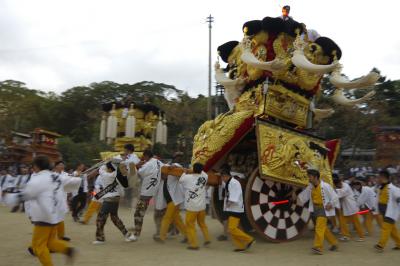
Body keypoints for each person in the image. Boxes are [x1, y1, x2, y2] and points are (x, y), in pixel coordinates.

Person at [4, 155, 80, 266]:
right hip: (55, 215)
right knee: (50, 242)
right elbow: (73, 182)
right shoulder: (56, 176)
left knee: (38, 246)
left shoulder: (38, 179)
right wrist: (77, 176)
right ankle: (68, 250)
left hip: (44, 215)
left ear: (36, 166)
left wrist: (7, 198)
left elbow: (24, 196)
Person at [93, 162, 136, 244]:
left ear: (109, 169)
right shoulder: (117, 175)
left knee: (100, 218)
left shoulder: (106, 175)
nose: (105, 168)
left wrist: (105, 162)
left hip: (109, 199)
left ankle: (100, 238)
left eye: (107, 168)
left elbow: (100, 169)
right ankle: (128, 235)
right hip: (116, 198)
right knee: (114, 218)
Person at [298, 169, 338, 255]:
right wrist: (296, 198)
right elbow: (304, 195)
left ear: (316, 177)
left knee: (319, 227)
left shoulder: (326, 186)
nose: (309, 178)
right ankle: (334, 243)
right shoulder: (310, 186)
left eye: (310, 177)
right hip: (315, 209)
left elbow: (335, 197)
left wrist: (330, 204)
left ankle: (318, 247)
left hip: (323, 209)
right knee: (323, 228)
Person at [220, 165, 254, 252]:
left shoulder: (234, 183)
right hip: (231, 208)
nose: (222, 180)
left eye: (222, 177)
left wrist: (228, 203)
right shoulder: (228, 182)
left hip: (235, 209)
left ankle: (249, 239)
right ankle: (240, 246)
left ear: (226, 176)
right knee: (232, 229)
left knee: (232, 228)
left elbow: (235, 196)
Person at [154, 152, 187, 243]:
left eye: (180, 157)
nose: (179, 159)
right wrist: (169, 168)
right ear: (174, 157)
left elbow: (177, 168)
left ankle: (162, 237)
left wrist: (173, 167)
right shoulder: (168, 168)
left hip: (174, 200)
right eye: (177, 157)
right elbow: (163, 169)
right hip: (172, 200)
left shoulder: (176, 168)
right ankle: (187, 235)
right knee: (177, 220)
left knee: (167, 218)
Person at [179, 163, 211, 250]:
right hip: (202, 206)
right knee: (202, 224)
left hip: (192, 207)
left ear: (193, 169)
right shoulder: (205, 177)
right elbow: (203, 172)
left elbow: (181, 180)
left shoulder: (187, 178)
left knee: (190, 225)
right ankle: (207, 238)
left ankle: (194, 244)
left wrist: (185, 171)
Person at [133, 149, 162, 238]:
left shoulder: (148, 164)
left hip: (147, 191)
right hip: (157, 190)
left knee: (138, 213)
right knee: (161, 213)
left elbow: (140, 173)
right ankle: (166, 231)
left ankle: (137, 233)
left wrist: (137, 166)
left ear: (146, 156)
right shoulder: (158, 162)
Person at [374, 170, 400, 252]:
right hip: (383, 212)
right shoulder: (381, 187)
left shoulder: (393, 188)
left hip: (391, 213)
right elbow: (378, 199)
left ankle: (380, 245)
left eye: (379, 177)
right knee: (392, 231)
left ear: (383, 177)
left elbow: (398, 197)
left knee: (385, 228)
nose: (377, 178)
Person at [333, 175, 365, 242]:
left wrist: (333, 189)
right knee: (342, 222)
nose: (338, 186)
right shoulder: (341, 186)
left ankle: (361, 236)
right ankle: (346, 236)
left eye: (338, 185)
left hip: (351, 207)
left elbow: (341, 193)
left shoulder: (346, 186)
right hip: (345, 208)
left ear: (339, 183)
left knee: (356, 222)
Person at [52, 161, 71, 241]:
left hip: (63, 198)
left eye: (63, 165)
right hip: (53, 199)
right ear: (55, 166)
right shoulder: (51, 175)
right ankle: (52, 238)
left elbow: (70, 181)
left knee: (61, 217)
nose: (62, 166)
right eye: (60, 165)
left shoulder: (65, 174)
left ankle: (61, 235)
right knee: (53, 218)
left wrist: (75, 177)